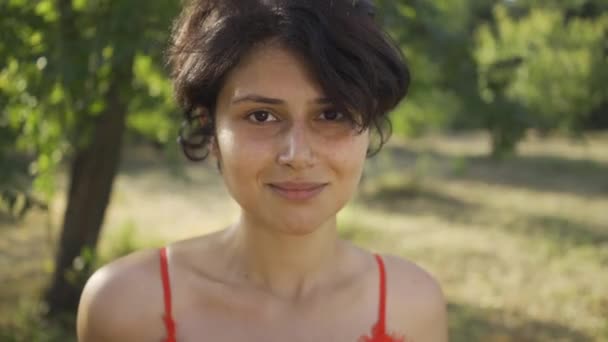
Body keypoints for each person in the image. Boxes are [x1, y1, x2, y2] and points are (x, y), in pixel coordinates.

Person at [76, 0, 448, 341]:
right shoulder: (126, 307)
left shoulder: (412, 307)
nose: (297, 155)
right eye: (261, 116)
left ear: (368, 129)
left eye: (332, 114)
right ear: (211, 132)